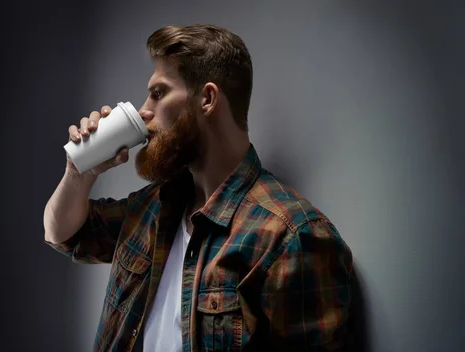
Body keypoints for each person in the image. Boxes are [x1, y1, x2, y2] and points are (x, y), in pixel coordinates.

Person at [44, 24, 353, 352]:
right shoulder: (154, 206)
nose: (144, 111)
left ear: (207, 98)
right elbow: (64, 234)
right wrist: (79, 174)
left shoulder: (291, 238)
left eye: (159, 93)